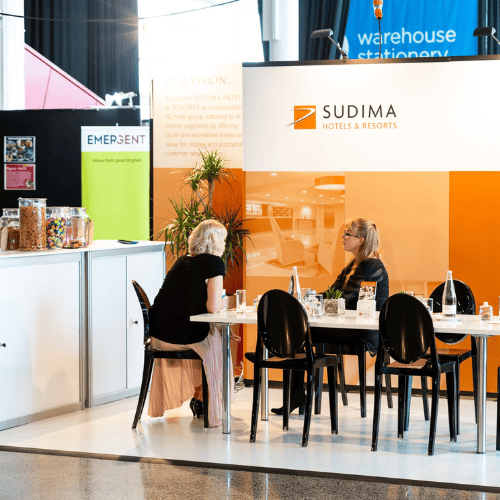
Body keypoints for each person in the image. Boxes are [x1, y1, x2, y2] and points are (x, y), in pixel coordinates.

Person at [271, 217, 389, 415]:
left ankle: (297, 393)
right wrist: (309, 298)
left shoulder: (371, 265)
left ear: (360, 240)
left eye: (347, 234)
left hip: (363, 332)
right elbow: (332, 293)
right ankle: (297, 393)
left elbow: (343, 298)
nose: (342, 237)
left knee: (300, 332)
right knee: (300, 331)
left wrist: (312, 301)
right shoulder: (353, 265)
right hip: (347, 327)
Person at [147, 219, 235, 427]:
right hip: (183, 336)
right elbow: (213, 307)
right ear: (216, 241)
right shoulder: (214, 263)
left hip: (159, 334)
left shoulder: (182, 261)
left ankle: (201, 397)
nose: (225, 244)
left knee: (213, 337)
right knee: (219, 345)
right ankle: (208, 403)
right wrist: (223, 304)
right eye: (223, 240)